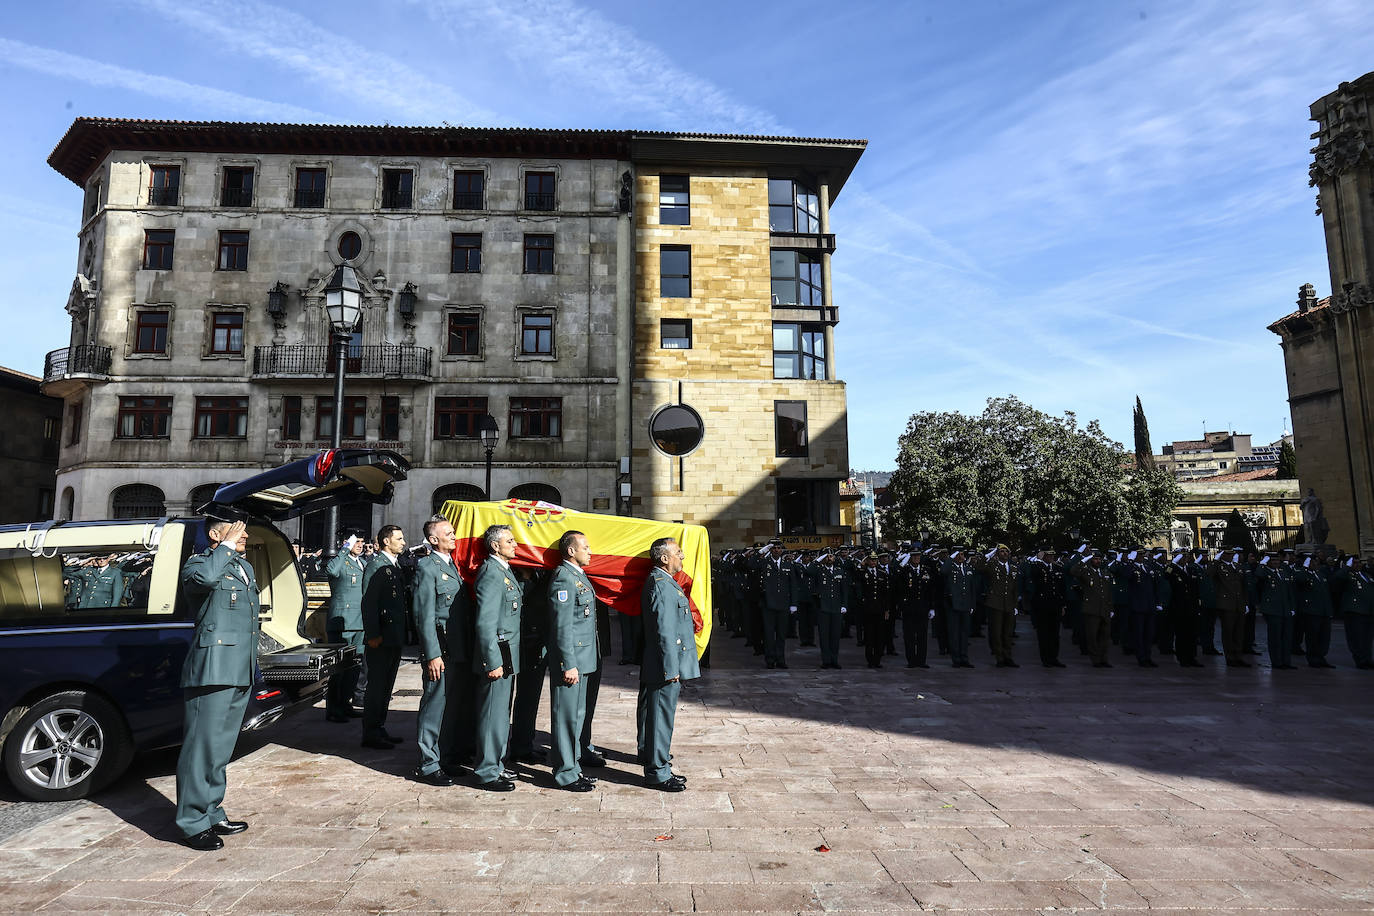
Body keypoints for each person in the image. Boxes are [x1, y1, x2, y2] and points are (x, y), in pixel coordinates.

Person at [175, 520, 256, 851]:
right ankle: (191, 822)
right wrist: (226, 546)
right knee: (201, 747)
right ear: (214, 535)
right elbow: (206, 579)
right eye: (238, 530)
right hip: (212, 667)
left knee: (220, 748)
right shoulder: (198, 565)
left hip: (238, 667)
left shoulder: (243, 566)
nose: (246, 535)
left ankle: (211, 811)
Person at [410, 517, 472, 786]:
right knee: (434, 706)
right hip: (441, 651)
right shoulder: (427, 567)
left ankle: (446, 757)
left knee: (451, 707)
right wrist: (431, 654)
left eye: (453, 532)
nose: (454, 536)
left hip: (457, 648)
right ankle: (428, 764)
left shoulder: (452, 566)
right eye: (448, 533)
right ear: (433, 539)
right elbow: (424, 615)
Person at [637, 537, 698, 791]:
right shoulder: (661, 585)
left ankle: (657, 761)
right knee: (660, 719)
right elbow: (665, 632)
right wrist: (671, 668)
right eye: (678, 552)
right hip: (664, 666)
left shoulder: (665, 583)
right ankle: (658, 773)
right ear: (664, 558)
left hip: (664, 664)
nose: (682, 556)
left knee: (659, 718)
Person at [546, 530, 599, 792]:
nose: (590, 551)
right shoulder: (563, 579)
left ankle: (573, 766)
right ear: (571, 550)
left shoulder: (578, 576)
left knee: (577, 717)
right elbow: (562, 626)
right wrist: (568, 663)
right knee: (566, 717)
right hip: (572, 660)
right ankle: (565, 772)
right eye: (586, 547)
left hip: (584, 658)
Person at [472, 524, 522, 791]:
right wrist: (492, 661)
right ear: (495, 546)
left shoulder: (503, 571)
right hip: (497, 656)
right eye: (510, 541)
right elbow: (485, 623)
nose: (515, 544)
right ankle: (486, 771)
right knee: (492, 714)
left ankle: (496, 764)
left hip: (507, 653)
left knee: (501, 715)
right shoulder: (491, 573)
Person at [360, 525, 408, 750]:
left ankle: (379, 727)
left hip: (393, 636)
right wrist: (373, 634)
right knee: (377, 685)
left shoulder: (393, 566)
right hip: (381, 637)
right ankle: (371, 732)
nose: (404, 542)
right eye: (399, 538)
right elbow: (369, 602)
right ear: (386, 542)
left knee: (387, 685)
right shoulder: (376, 566)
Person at [324, 536, 368, 723]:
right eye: (355, 542)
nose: (359, 545)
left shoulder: (364, 563)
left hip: (360, 622)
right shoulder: (341, 560)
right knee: (339, 668)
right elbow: (331, 570)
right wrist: (344, 549)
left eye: (361, 542)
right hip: (342, 622)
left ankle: (345, 703)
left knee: (355, 666)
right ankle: (334, 708)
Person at [509, 565, 550, 765]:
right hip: (517, 645)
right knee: (510, 701)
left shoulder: (540, 574)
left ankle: (524, 744)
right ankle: (512, 749)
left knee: (529, 698)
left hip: (535, 646)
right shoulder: (511, 576)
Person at [974, 545, 1019, 668]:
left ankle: (1008, 656)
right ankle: (999, 657)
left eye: (1006, 551)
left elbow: (1015, 588)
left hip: (1009, 604)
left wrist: (1015, 605)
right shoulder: (992, 566)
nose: (1004, 553)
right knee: (996, 632)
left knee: (1008, 632)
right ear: (997, 554)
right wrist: (989, 554)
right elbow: (978, 567)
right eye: (1001, 551)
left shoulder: (1014, 567)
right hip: (995, 603)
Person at [1022, 547, 1065, 667]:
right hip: (1042, 605)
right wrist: (1039, 560)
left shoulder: (1057, 568)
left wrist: (1062, 605)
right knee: (1044, 633)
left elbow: (1061, 588)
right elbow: (1033, 575)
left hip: (1055, 605)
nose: (1051, 557)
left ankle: (1054, 657)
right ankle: (1045, 659)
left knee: (1055, 634)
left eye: (1052, 555)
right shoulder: (1037, 567)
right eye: (1048, 555)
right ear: (1043, 556)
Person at [1256, 551, 1298, 670]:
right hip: (1272, 610)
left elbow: (1290, 591)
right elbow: (1258, 574)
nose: (1275, 563)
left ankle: (1286, 661)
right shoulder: (1265, 572)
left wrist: (1292, 608)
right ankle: (1277, 662)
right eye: (1273, 561)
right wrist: (1262, 563)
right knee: (1275, 638)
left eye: (1277, 561)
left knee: (1287, 637)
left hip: (1286, 609)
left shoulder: (1283, 572)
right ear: (1268, 562)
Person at [1210, 549, 1251, 667]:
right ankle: (1230, 657)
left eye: (1231, 554)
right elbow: (1209, 573)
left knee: (1239, 633)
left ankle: (1238, 656)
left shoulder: (1237, 566)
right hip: (1226, 605)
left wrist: (1246, 603)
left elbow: (1244, 586)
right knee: (1228, 632)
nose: (1230, 556)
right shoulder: (1218, 567)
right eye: (1227, 554)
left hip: (1239, 604)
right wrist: (1216, 560)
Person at [1073, 550, 1114, 667]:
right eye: (1095, 559)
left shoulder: (1105, 572)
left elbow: (1109, 592)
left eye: (1100, 559)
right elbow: (1074, 571)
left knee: (1105, 637)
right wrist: (1084, 559)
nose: (1098, 561)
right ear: (1091, 560)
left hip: (1104, 609)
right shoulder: (1086, 572)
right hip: (1092, 609)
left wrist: (1111, 608)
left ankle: (1104, 659)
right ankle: (1095, 660)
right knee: (1092, 636)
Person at [1293, 555, 1336, 668]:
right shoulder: (1304, 574)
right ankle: (1313, 658)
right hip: (1311, 611)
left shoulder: (1321, 575)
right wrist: (1305, 567)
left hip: (1324, 611)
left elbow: (1327, 594)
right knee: (1312, 637)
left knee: (1324, 637)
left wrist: (1329, 610)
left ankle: (1321, 657)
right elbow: (1299, 579)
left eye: (1316, 562)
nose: (1315, 564)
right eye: (1311, 562)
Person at [758, 545, 797, 669]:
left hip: (783, 604)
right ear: (771, 550)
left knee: (781, 634)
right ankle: (770, 659)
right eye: (774, 548)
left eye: (779, 548)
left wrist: (793, 603)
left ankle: (781, 659)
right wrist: (762, 551)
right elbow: (751, 564)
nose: (777, 550)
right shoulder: (764, 563)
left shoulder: (788, 565)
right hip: (768, 604)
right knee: (769, 634)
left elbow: (793, 585)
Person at [1334, 557, 1374, 668]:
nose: (1357, 565)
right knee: (1356, 637)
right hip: (1354, 610)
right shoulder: (1347, 575)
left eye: (1359, 562)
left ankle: (1367, 659)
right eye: (1354, 563)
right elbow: (1337, 578)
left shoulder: (1366, 575)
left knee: (1367, 638)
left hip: (1368, 611)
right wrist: (1347, 567)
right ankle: (1360, 659)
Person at [812, 552, 849, 669]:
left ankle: (834, 659)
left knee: (835, 635)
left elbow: (844, 590)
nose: (829, 558)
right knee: (824, 636)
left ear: (834, 558)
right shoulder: (819, 570)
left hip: (836, 607)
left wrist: (844, 605)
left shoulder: (839, 571)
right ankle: (826, 660)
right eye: (827, 556)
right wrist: (819, 559)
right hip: (823, 607)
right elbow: (808, 571)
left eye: (831, 556)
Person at [942, 548, 976, 668]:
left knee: (964, 633)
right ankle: (956, 659)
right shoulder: (950, 568)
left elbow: (972, 588)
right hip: (953, 606)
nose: (961, 556)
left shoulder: (968, 568)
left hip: (965, 605)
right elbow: (943, 571)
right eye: (959, 554)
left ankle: (964, 658)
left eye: (962, 554)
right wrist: (951, 557)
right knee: (954, 634)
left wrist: (972, 605)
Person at [858, 552, 890, 669]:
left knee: (879, 636)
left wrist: (887, 609)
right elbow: (858, 580)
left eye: (875, 560)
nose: (873, 562)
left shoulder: (882, 573)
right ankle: (870, 659)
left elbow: (886, 594)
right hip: (868, 609)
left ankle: (877, 659)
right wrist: (862, 564)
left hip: (879, 609)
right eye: (871, 560)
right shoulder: (863, 573)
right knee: (869, 636)